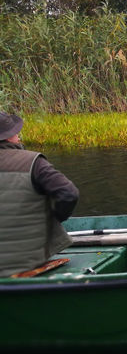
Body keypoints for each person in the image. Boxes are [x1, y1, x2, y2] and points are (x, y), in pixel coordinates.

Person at [0, 112, 79, 277]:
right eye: (16, 132)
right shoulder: (33, 162)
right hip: (26, 263)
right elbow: (69, 194)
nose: (18, 136)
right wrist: (53, 218)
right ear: (8, 137)